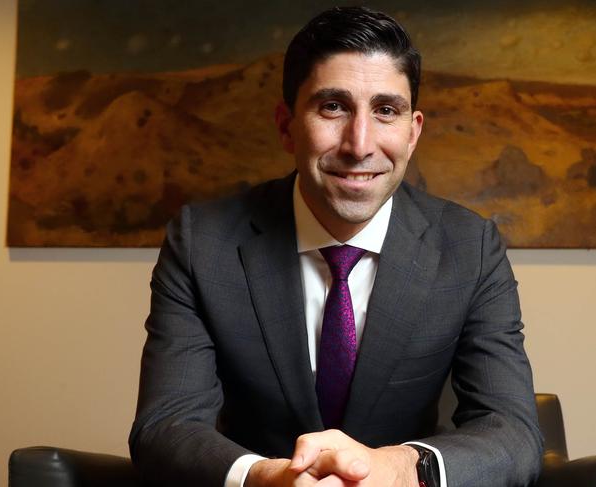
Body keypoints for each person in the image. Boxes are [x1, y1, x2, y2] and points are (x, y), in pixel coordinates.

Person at [129, 6, 543, 487]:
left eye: (385, 110)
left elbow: (513, 434)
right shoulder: (203, 243)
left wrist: (402, 469)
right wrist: (265, 477)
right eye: (333, 107)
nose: (359, 144)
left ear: (413, 132)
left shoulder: (470, 248)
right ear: (287, 126)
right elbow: (165, 426)